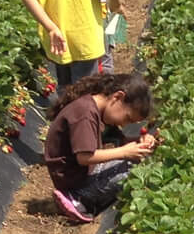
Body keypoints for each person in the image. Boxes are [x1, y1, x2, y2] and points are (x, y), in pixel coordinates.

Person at [43, 71, 158, 224]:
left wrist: (140, 142)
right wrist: (124, 153)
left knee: (137, 161)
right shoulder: (85, 113)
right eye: (127, 118)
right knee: (132, 170)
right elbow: (85, 157)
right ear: (117, 97)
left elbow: (119, 141)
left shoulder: (97, 111)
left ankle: (87, 198)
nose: (124, 124)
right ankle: (79, 198)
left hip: (79, 173)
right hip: (72, 178)